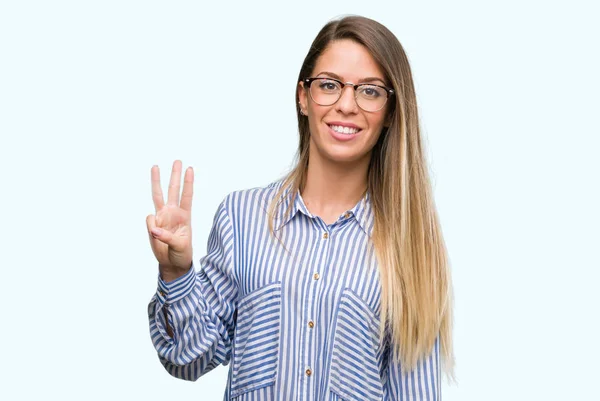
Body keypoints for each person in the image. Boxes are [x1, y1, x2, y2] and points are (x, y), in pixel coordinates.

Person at [146, 15, 454, 400]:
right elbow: (189, 358)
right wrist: (176, 273)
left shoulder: (410, 245)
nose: (346, 105)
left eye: (370, 91)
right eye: (329, 85)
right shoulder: (242, 218)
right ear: (303, 97)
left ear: (391, 112)